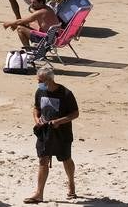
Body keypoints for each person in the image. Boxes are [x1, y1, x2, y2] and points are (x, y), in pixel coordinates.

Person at [26, 65, 78, 203]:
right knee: (43, 160)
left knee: (66, 159)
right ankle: (39, 193)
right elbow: (36, 108)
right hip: (44, 132)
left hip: (62, 133)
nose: (39, 83)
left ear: (49, 80)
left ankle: (71, 183)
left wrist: (60, 121)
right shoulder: (40, 92)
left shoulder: (66, 93)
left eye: (41, 81)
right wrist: (37, 120)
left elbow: (75, 113)